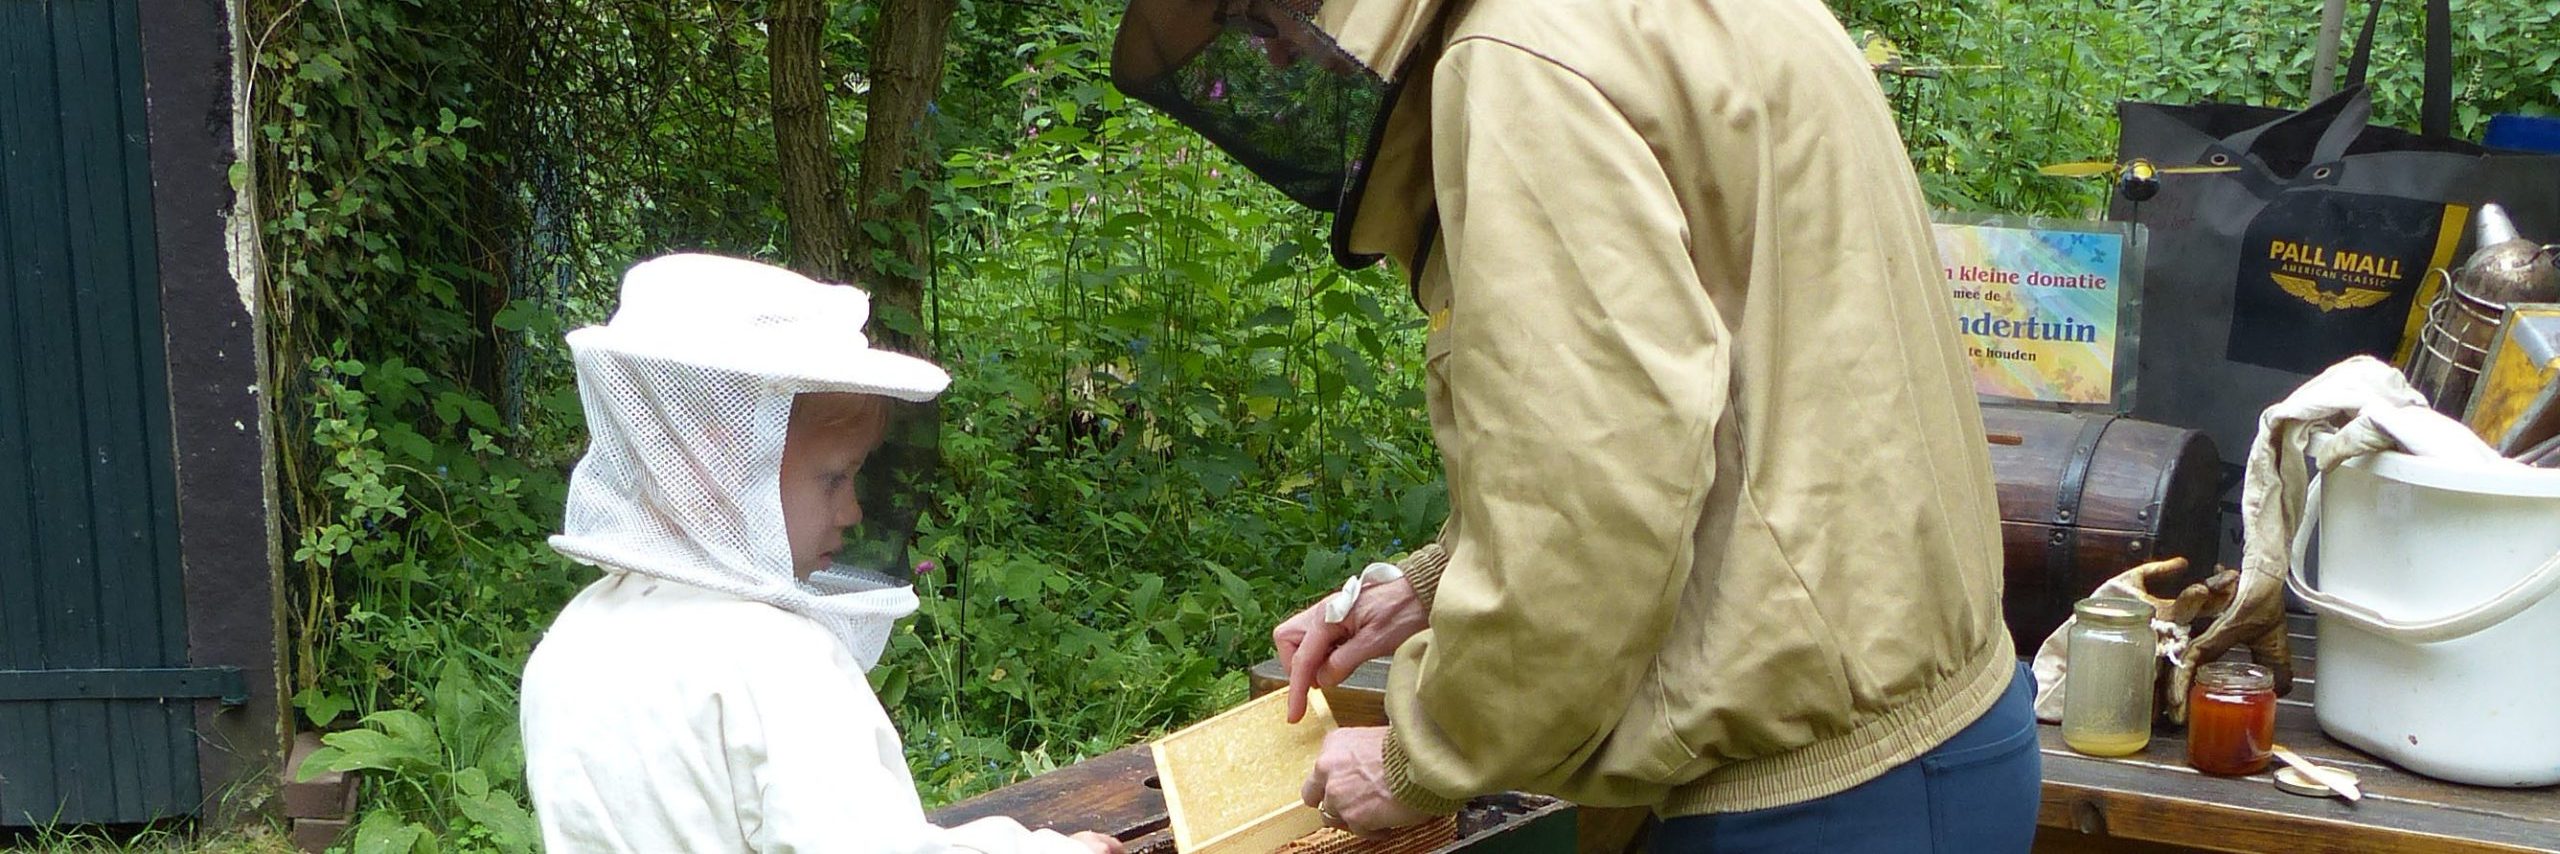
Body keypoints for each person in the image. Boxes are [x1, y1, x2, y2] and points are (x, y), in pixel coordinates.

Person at [1112, 0, 2039, 850]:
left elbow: (1594, 489)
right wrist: (1432, 583)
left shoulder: (1519, 57)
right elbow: (1758, 390)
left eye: (1267, 17)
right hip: (1947, 741)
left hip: (1815, 801)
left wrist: (1420, 758)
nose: (1277, 55)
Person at [519, 254, 1122, 854]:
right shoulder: (775, 659)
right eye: (834, 478)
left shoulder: (574, 639)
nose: (853, 511)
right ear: (715, 467)